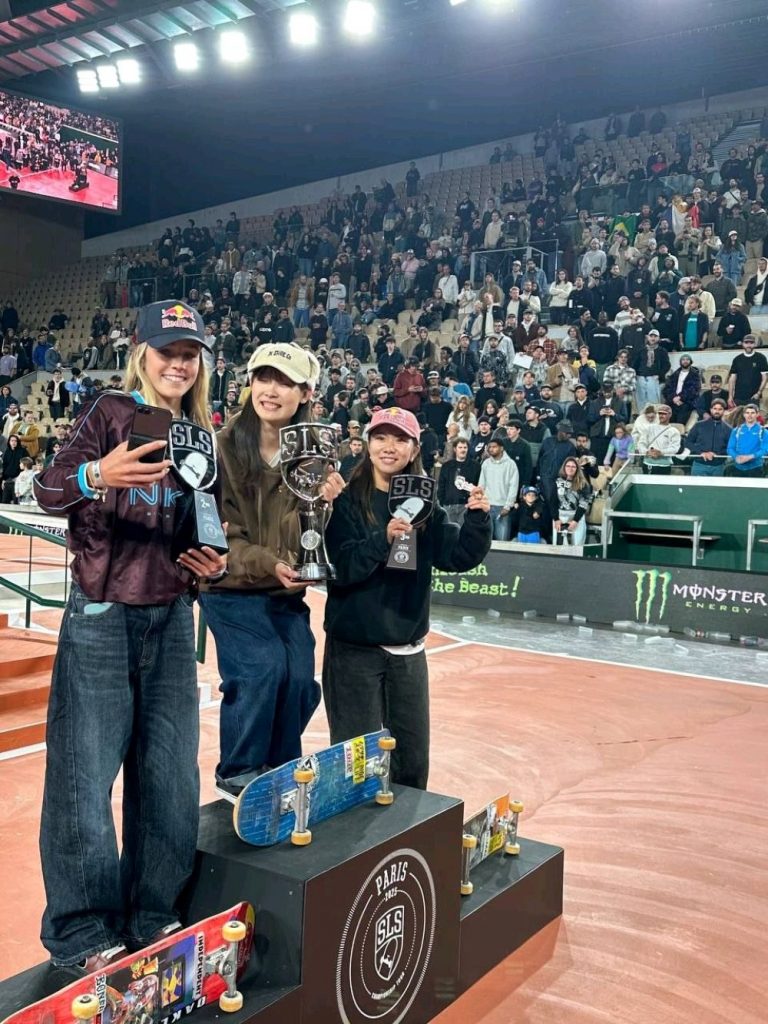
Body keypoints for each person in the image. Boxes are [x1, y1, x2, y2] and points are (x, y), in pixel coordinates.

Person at [32, 299, 226, 971]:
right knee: (84, 777)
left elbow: (203, 527)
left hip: (172, 616)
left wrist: (212, 561)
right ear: (141, 351)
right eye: (167, 349)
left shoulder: (201, 434)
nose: (179, 362)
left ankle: (153, 912)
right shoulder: (108, 413)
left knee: (169, 775)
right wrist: (98, 474)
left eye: (190, 352)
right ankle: (82, 931)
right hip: (102, 613)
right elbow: (46, 489)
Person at [199, 344, 344, 801]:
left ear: (305, 392)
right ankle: (238, 773)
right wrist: (272, 563)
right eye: (263, 378)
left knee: (300, 680)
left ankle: (281, 768)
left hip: (283, 593)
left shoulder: (316, 457)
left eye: (283, 381)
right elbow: (223, 536)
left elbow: (305, 537)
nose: (270, 390)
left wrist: (325, 505)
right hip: (229, 586)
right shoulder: (220, 448)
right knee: (261, 670)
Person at [322, 406, 491, 789]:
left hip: (408, 653)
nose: (389, 447)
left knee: (412, 767)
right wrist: (382, 539)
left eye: (400, 439)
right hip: (354, 653)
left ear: (414, 449)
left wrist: (478, 520)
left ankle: (406, 849)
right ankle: (356, 846)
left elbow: (457, 555)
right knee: (356, 770)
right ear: (366, 444)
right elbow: (343, 567)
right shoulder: (347, 500)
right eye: (381, 437)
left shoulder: (424, 504)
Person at [479, 431, 520, 541]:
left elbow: (513, 486)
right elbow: (481, 485)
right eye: (490, 447)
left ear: (501, 448)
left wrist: (508, 506)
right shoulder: (486, 463)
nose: (491, 449)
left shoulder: (510, 464)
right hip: (487, 506)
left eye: (494, 447)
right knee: (484, 541)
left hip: (502, 507)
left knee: (502, 541)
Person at [550, 456, 592, 546]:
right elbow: (552, 501)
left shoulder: (583, 484)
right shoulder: (557, 482)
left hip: (577, 516)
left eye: (573, 466)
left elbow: (584, 503)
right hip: (560, 516)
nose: (570, 468)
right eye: (568, 466)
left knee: (577, 545)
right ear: (564, 467)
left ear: (577, 468)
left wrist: (575, 520)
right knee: (559, 546)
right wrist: (556, 519)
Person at [686, 398, 731, 477]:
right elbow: (688, 442)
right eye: (715, 409)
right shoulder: (699, 425)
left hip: (718, 467)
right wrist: (701, 453)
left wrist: (717, 454)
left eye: (720, 409)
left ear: (724, 411)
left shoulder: (728, 429)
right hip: (699, 465)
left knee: (717, 489)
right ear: (710, 410)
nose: (717, 411)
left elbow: (730, 447)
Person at [726, 403, 767, 477]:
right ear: (744, 415)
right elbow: (730, 448)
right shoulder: (736, 430)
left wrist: (750, 457)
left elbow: (765, 449)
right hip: (738, 467)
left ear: (757, 414)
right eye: (747, 413)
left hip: (756, 468)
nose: (750, 415)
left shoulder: (763, 431)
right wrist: (736, 457)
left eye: (752, 413)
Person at [727, 336, 768, 407]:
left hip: (753, 397)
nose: (749, 345)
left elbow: (765, 378)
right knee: (738, 417)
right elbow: (732, 379)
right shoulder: (737, 359)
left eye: (751, 343)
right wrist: (730, 396)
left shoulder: (761, 358)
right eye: (746, 342)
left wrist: (758, 393)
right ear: (742, 344)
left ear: (755, 344)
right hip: (738, 397)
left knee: (752, 418)